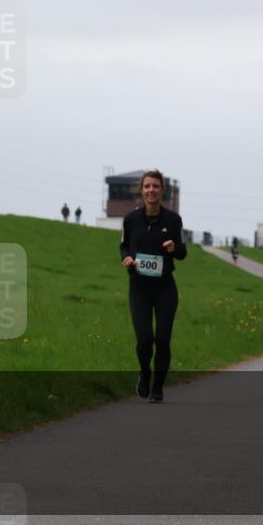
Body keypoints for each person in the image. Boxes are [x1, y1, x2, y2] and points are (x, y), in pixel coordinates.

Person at [119, 170, 187, 403]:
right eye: (147, 186)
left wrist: (173, 248)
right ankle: (144, 372)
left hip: (165, 288)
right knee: (145, 339)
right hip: (139, 288)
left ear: (162, 191)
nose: (151, 190)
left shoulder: (173, 220)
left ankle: (157, 388)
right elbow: (123, 247)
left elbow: (182, 253)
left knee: (163, 339)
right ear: (141, 190)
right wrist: (126, 259)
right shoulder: (130, 220)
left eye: (155, 186)